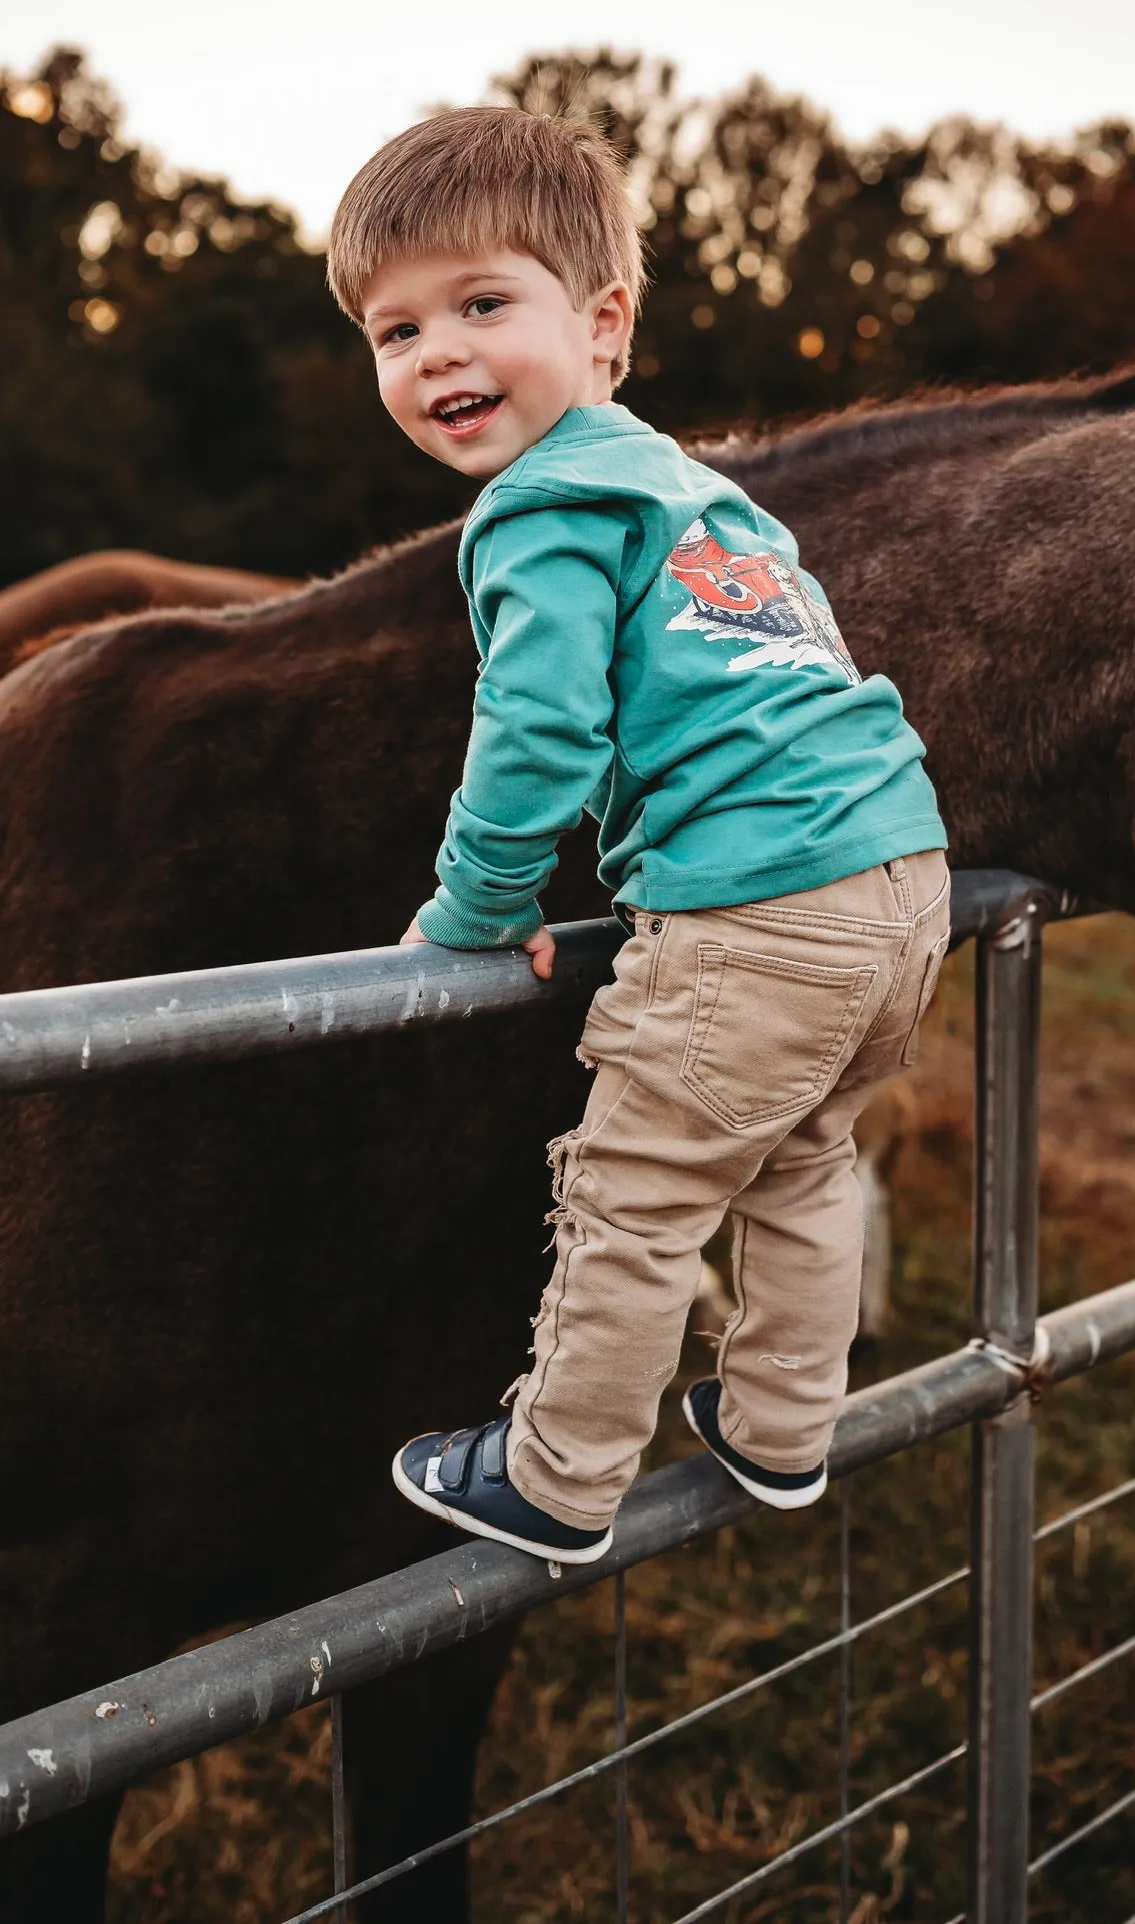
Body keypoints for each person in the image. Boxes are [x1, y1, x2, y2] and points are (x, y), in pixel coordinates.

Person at [327, 107, 951, 1564]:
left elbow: (541, 734)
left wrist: (475, 906)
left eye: (484, 304)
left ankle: (558, 1469)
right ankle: (786, 1427)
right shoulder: (707, 497)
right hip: (898, 882)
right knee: (802, 1150)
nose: (438, 357)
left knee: (638, 1188)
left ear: (602, 326)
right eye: (394, 330)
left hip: (760, 908)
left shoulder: (541, 510)